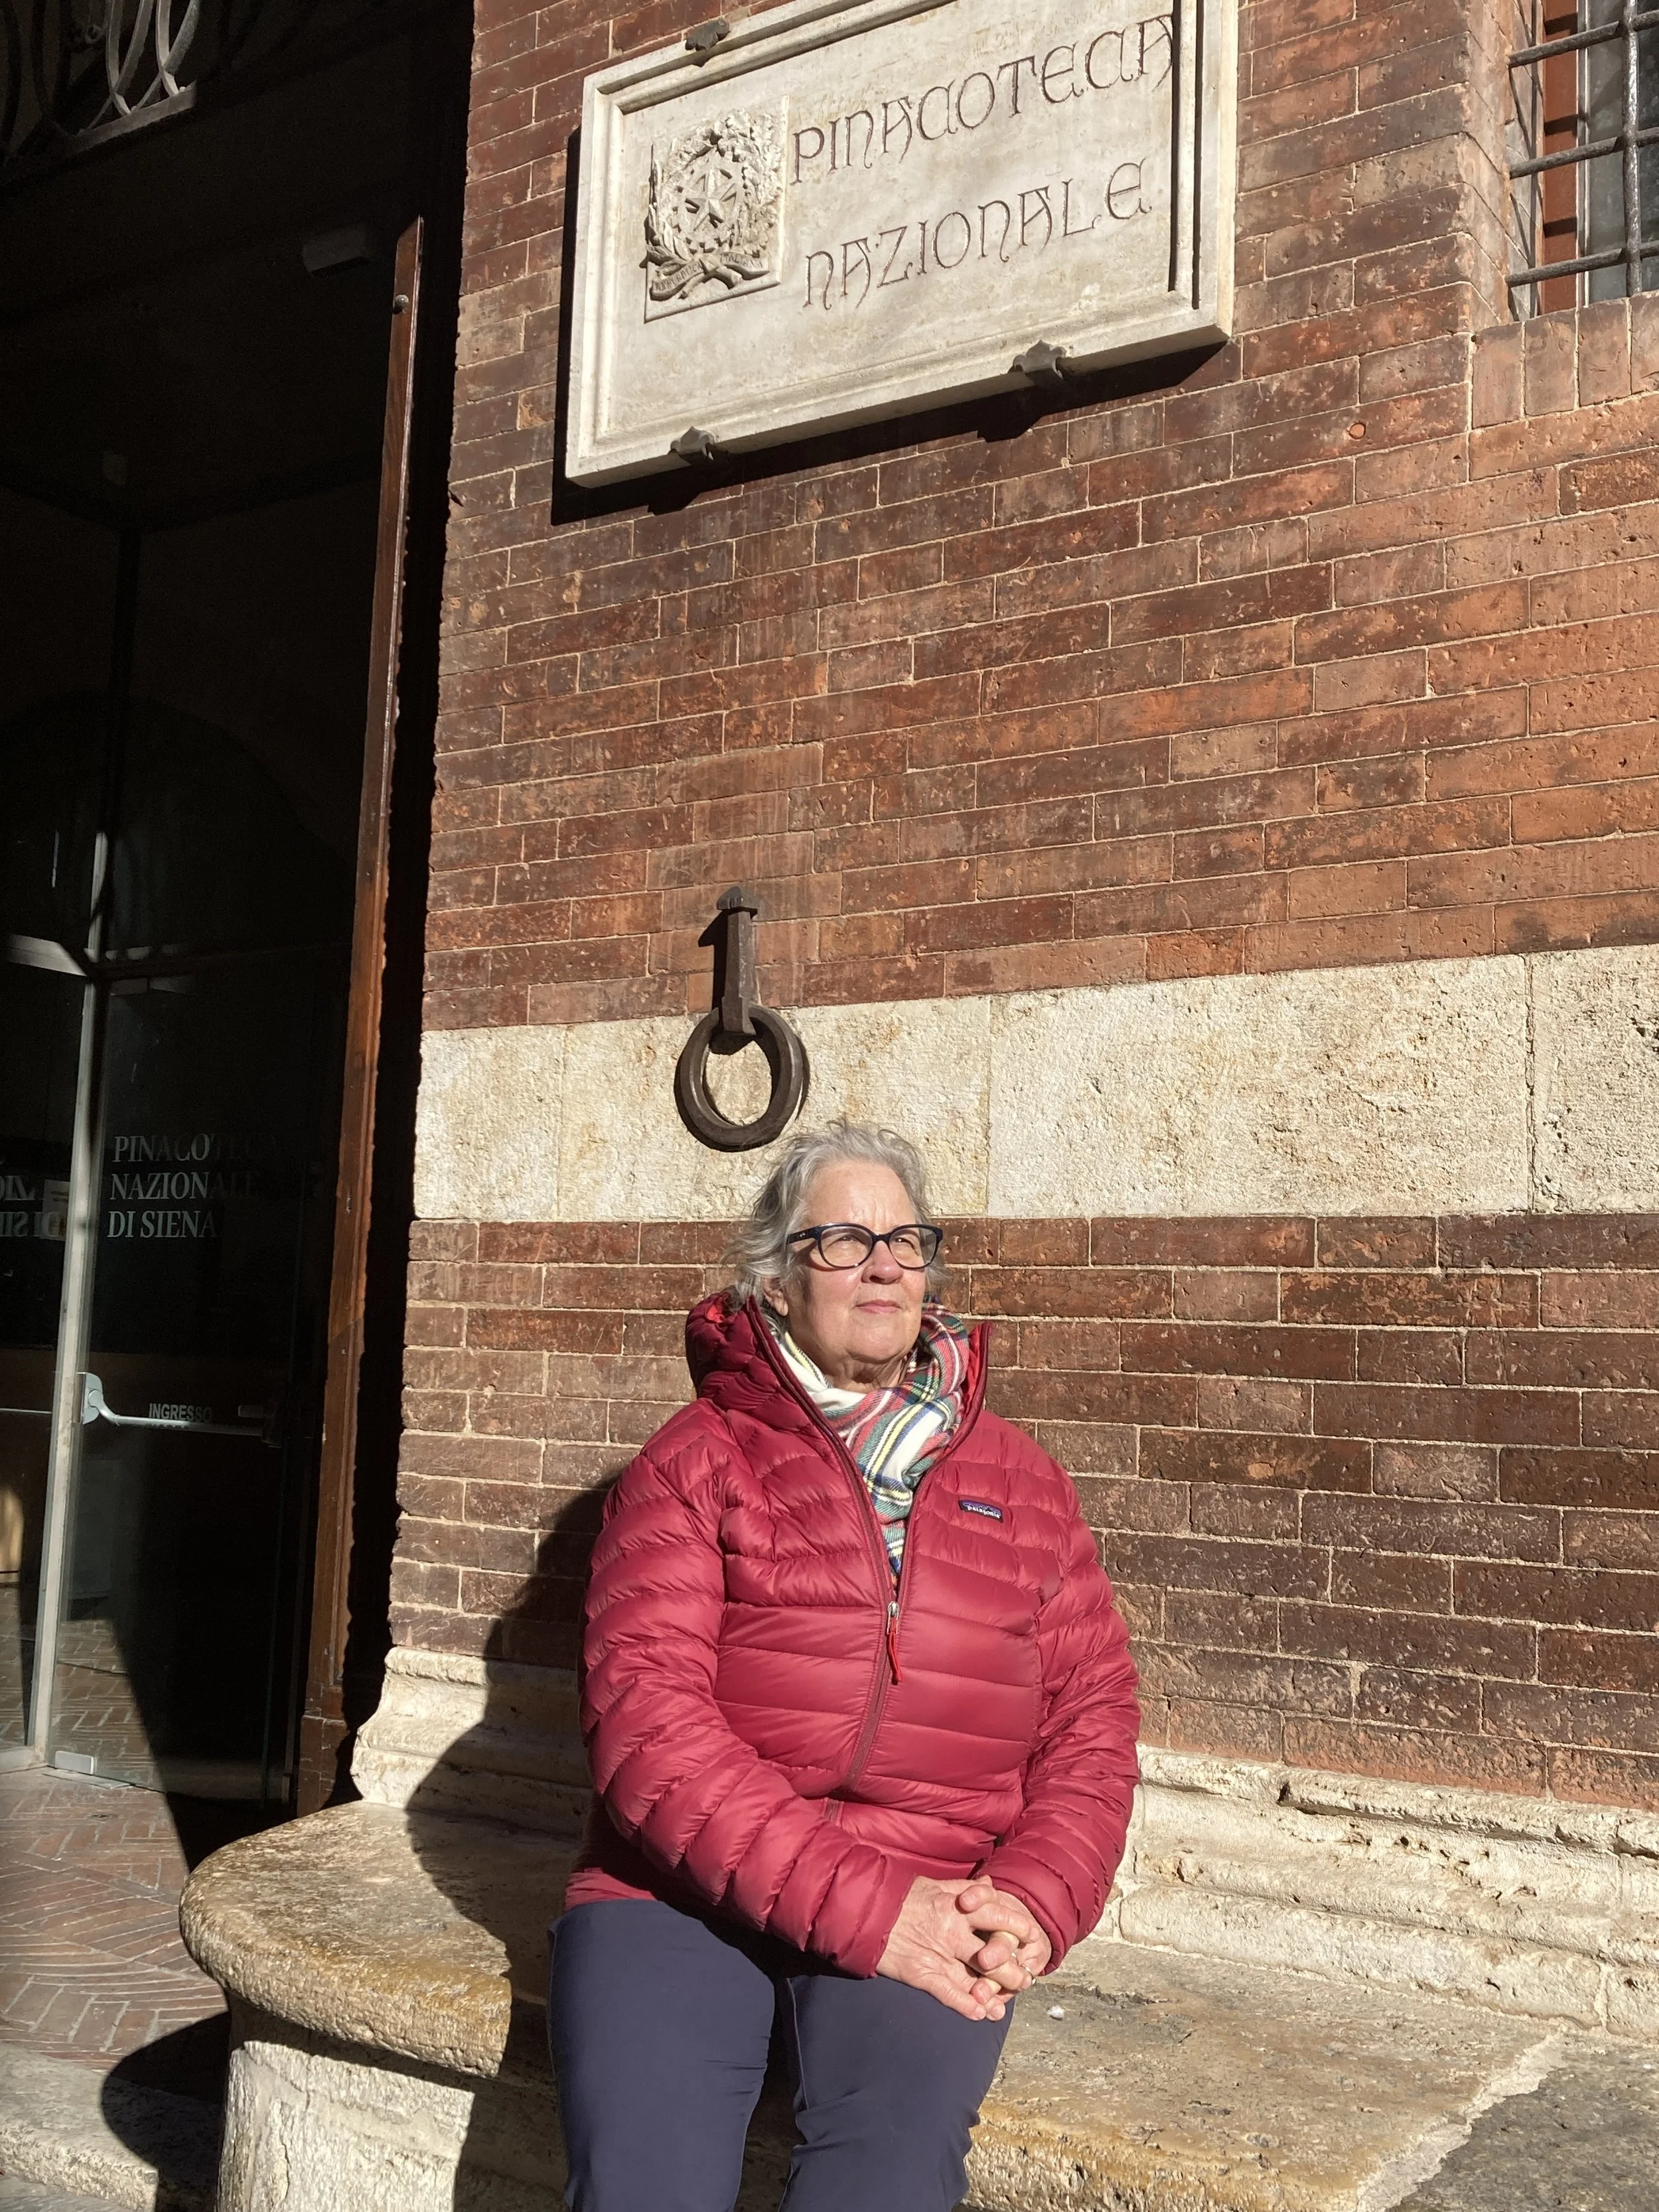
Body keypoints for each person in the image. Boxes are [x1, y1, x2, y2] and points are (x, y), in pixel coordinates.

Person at [547, 1120, 1141, 2212]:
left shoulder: (1025, 1482)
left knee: (888, 2186)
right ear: (774, 1286)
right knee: (643, 2185)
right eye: (841, 1240)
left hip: (936, 1881)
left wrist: (1033, 1901)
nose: (882, 1263)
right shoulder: (694, 1464)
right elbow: (650, 1739)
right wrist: (879, 1915)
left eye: (906, 1240)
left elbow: (1091, 1721)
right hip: (678, 1893)